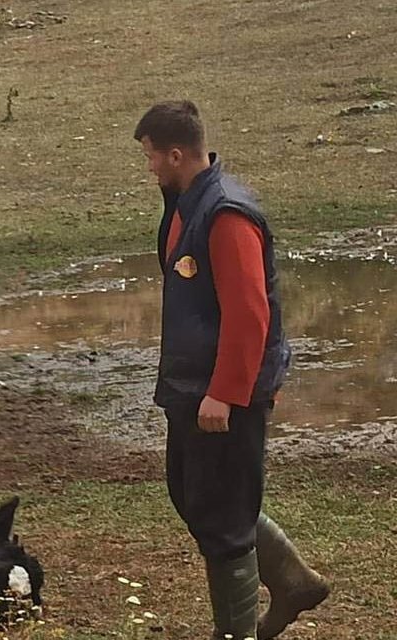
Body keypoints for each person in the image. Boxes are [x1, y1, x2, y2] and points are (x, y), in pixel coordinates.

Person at [133, 100, 330, 640]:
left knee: (223, 518)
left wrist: (226, 392)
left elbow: (249, 316)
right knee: (194, 495)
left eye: (151, 157)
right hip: (189, 388)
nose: (148, 166)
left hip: (219, 394)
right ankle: (293, 581)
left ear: (176, 154)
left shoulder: (225, 215)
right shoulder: (186, 202)